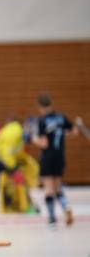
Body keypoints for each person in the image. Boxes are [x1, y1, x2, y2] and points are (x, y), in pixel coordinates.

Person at [31, 94, 80, 228]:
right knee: (57, 187)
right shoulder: (61, 117)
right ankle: (66, 206)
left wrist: (34, 139)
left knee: (48, 189)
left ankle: (52, 220)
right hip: (60, 155)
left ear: (40, 107)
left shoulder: (42, 120)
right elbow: (74, 131)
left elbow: (44, 143)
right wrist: (65, 133)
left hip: (48, 157)